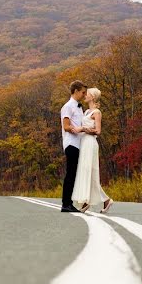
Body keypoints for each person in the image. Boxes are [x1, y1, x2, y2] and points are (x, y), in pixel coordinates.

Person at [71, 87, 113, 214]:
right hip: (84, 143)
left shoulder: (96, 112)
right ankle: (105, 200)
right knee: (85, 171)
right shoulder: (86, 112)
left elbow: (98, 131)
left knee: (89, 171)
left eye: (87, 94)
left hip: (90, 143)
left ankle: (86, 201)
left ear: (93, 97)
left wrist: (82, 129)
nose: (85, 95)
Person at [59, 80, 90, 212]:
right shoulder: (68, 106)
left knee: (74, 173)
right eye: (83, 92)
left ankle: (69, 202)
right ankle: (66, 204)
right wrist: (79, 129)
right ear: (76, 91)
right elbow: (66, 126)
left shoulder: (78, 107)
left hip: (78, 144)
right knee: (70, 173)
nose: (84, 95)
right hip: (71, 143)